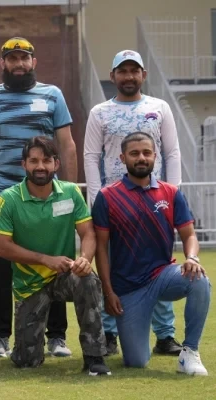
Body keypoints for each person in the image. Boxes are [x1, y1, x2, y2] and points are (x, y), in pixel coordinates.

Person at [0, 37, 78, 358]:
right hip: (3, 194)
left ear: (34, 62)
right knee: (1, 266)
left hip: (50, 196)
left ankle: (57, 336)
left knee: (57, 262)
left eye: (24, 58)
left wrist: (70, 193)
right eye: (12, 59)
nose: (19, 64)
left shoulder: (52, 94)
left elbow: (67, 144)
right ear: (2, 63)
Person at [84, 50, 183, 357]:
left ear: (143, 75)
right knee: (110, 263)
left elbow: (172, 152)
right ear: (113, 76)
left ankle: (165, 334)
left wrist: (173, 194)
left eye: (134, 71)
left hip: (155, 200)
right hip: (114, 203)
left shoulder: (159, 107)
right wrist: (96, 198)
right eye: (122, 71)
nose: (129, 76)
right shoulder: (100, 112)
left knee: (160, 263)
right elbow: (91, 155)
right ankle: (109, 332)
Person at [0, 136, 110, 375]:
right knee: (27, 361)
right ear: (23, 164)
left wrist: (85, 259)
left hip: (64, 276)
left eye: (46, 160)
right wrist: (45, 259)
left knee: (87, 279)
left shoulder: (70, 192)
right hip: (30, 285)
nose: (40, 166)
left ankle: (95, 357)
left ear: (56, 164)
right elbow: (1, 247)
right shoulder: (9, 199)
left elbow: (88, 233)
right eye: (33, 161)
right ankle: (26, 347)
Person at [92, 132, 210, 375]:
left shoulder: (171, 193)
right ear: (123, 158)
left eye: (147, 152)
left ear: (155, 156)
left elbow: (189, 235)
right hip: (128, 288)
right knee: (136, 361)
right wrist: (109, 291)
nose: (141, 158)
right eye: (134, 153)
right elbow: (101, 247)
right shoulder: (107, 197)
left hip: (163, 275)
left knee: (198, 279)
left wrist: (192, 258)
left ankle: (189, 353)